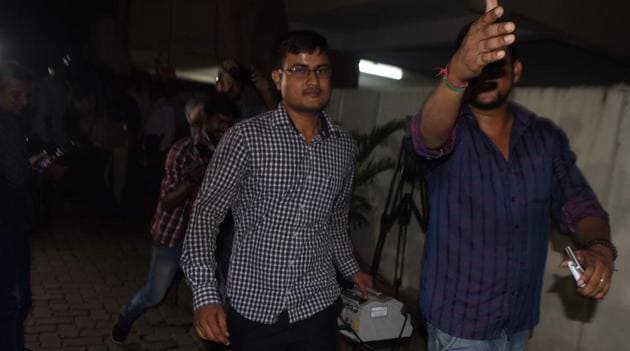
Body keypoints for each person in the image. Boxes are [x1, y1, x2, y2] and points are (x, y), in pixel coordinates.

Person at [409, 1, 616, 350]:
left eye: (498, 66)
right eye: (479, 67)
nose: (487, 76)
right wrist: (457, 74)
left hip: (517, 322)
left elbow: (581, 205)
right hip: (461, 326)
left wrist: (601, 250)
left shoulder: (544, 138)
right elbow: (425, 137)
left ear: (516, 70)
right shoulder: (450, 127)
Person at [181, 30, 373, 351]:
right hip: (255, 309)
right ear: (277, 76)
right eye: (299, 69)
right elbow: (205, 216)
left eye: (321, 70)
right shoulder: (245, 139)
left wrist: (353, 270)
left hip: (318, 306)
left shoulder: (342, 147)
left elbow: (336, 221)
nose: (312, 80)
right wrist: (205, 294)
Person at [111, 94, 237, 344]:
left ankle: (216, 340)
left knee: (221, 294)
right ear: (206, 120)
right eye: (220, 122)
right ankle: (125, 318)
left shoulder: (230, 152)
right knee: (154, 293)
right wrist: (192, 179)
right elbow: (167, 201)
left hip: (206, 238)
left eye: (230, 123)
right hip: (174, 234)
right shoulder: (182, 150)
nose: (225, 129)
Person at [0, 61, 39, 350]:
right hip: (6, 220)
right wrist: (32, 166)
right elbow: (16, 175)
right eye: (16, 94)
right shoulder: (8, 125)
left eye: (26, 95)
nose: (23, 101)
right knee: (13, 299)